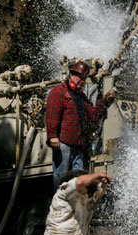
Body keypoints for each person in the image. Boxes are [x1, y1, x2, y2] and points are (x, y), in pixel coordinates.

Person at [46, 61, 115, 189]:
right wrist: (52, 135)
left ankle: (75, 205)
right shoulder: (58, 92)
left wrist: (105, 100)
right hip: (63, 144)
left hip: (78, 146)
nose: (82, 80)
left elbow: (93, 116)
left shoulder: (81, 96)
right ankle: (60, 204)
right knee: (62, 179)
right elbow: (52, 114)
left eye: (84, 78)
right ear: (71, 75)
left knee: (78, 180)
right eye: (79, 76)